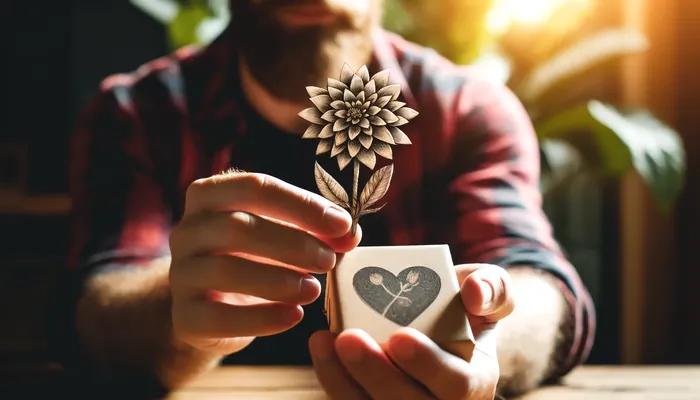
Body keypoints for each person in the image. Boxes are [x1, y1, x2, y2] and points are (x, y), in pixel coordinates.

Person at [58, 0, 595, 398]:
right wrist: (174, 311)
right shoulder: (137, 113)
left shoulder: (466, 110)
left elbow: (536, 282)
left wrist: (489, 335)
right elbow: (96, 308)